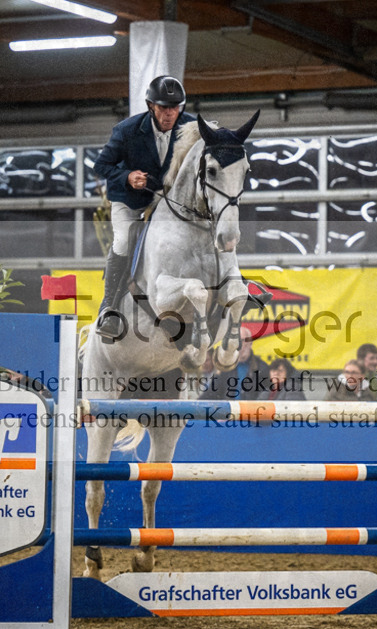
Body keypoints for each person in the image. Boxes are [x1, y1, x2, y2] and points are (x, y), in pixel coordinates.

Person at [92, 75, 197, 339]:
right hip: (130, 200)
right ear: (151, 105)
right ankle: (110, 308)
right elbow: (101, 166)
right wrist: (126, 176)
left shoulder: (191, 127)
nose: (170, 114)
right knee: (125, 242)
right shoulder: (126, 130)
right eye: (164, 108)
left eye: (175, 107)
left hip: (166, 199)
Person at [198, 326, 268, 400]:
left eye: (242, 340)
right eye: (236, 341)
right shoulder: (226, 366)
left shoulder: (262, 368)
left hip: (251, 410)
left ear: (250, 342)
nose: (239, 345)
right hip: (228, 410)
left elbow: (265, 396)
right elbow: (212, 392)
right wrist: (196, 405)